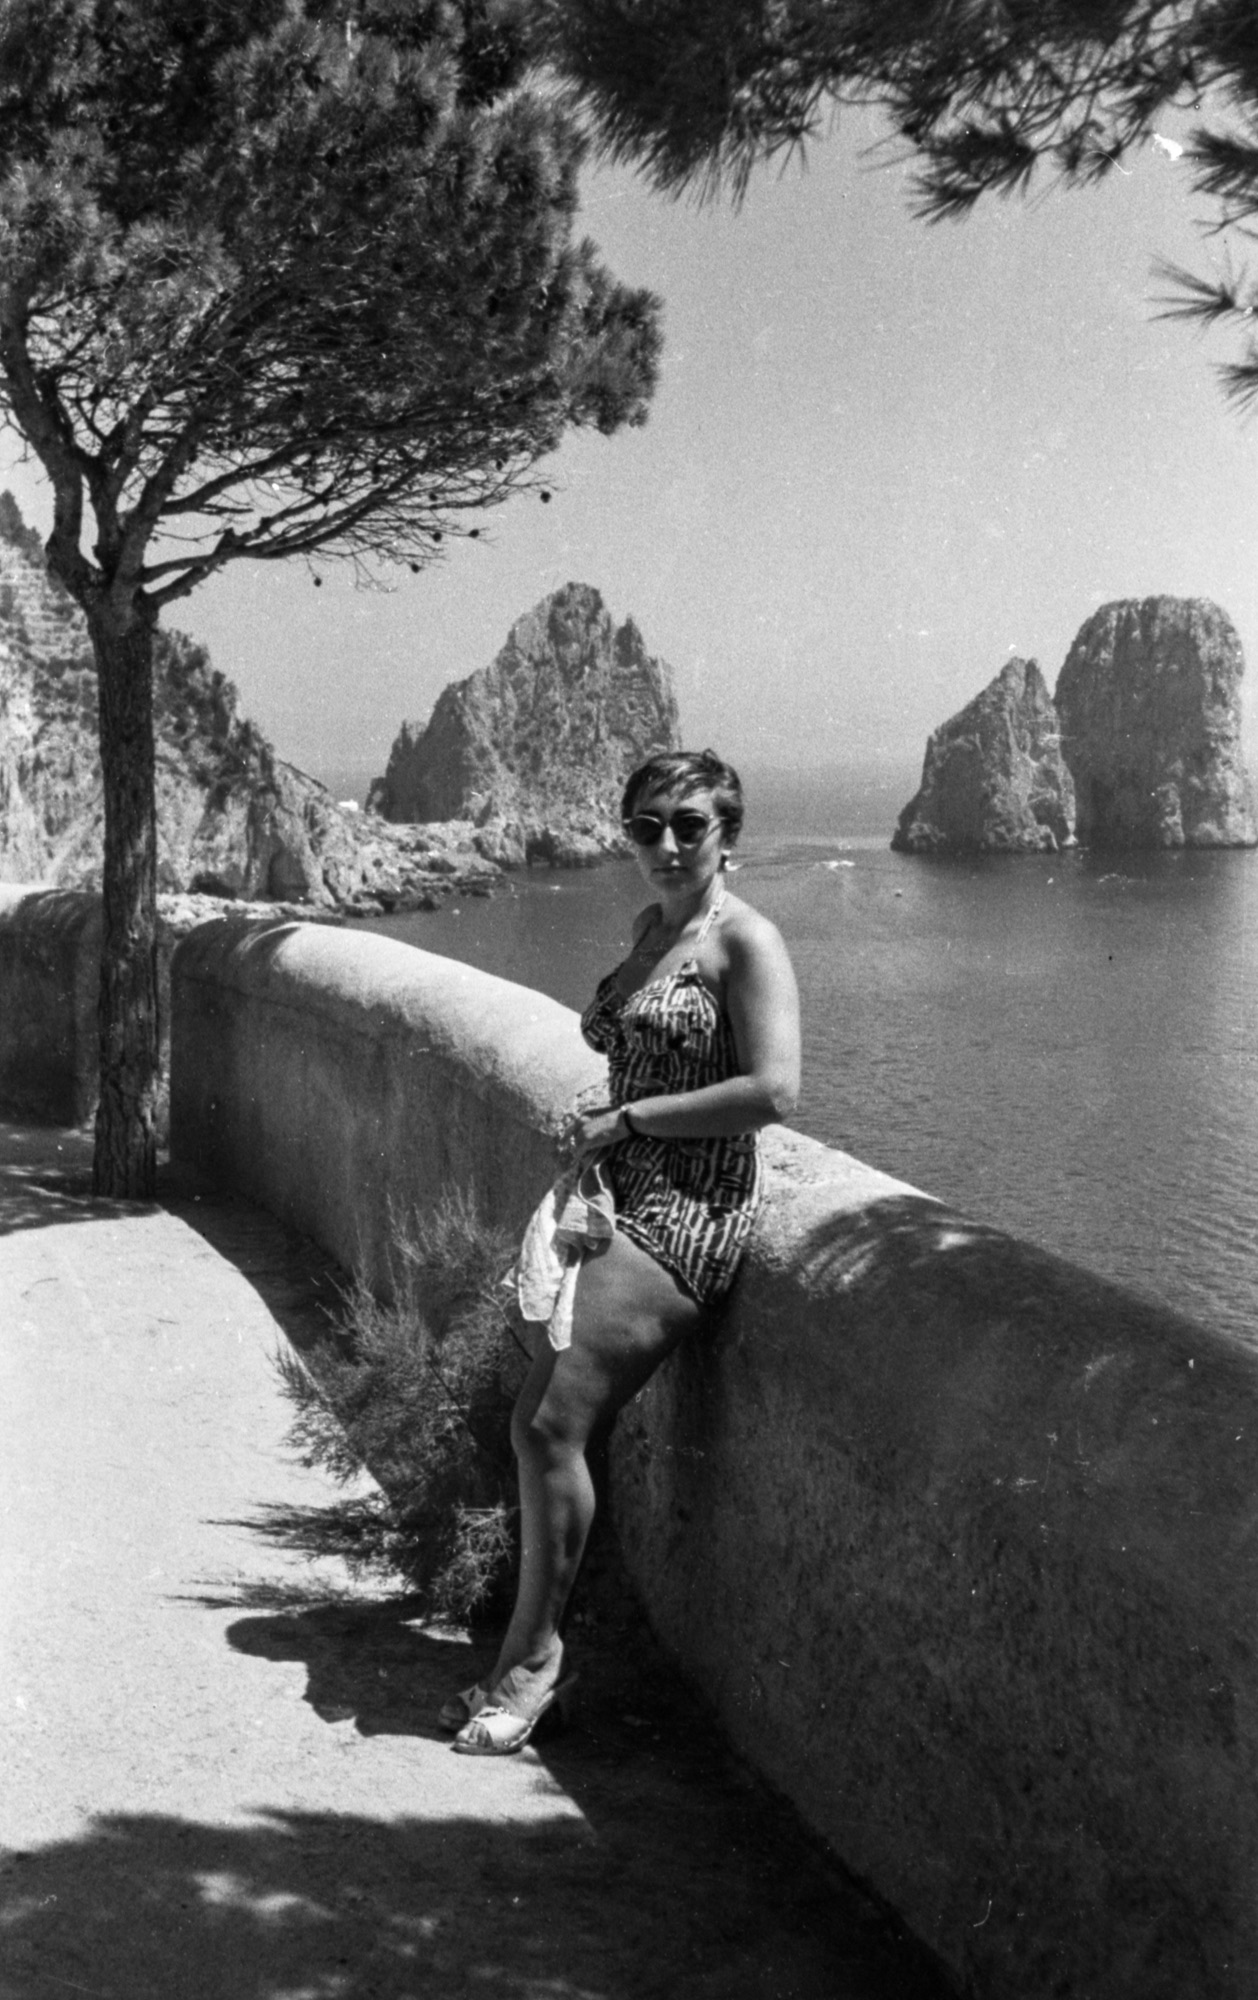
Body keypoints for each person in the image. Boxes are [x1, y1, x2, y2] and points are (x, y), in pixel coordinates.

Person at [444, 748, 801, 1754]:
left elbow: (775, 1090)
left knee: (550, 1423)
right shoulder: (651, 930)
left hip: (690, 1206)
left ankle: (536, 1662)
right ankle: (535, 1652)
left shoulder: (746, 940)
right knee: (543, 1423)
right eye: (646, 826)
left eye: (689, 823)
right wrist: (611, 1113)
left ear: (728, 832)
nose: (668, 843)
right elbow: (634, 1046)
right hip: (615, 1193)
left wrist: (632, 1117)